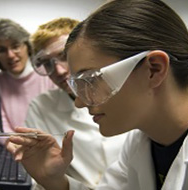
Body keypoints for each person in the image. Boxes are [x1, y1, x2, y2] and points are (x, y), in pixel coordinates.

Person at [6, 0, 188, 189]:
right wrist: (56, 182)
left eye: (91, 80)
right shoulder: (141, 142)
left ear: (154, 69)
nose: (79, 102)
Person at [26, 17, 127, 189]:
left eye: (64, 56)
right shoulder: (42, 106)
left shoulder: (127, 94)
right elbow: (41, 175)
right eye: (47, 63)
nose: (58, 70)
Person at [0, 18, 55, 132]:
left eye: (15, 46)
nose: (10, 55)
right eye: (2, 50)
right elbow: (0, 125)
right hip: (15, 146)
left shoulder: (48, 74)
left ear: (27, 47)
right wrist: (16, 144)